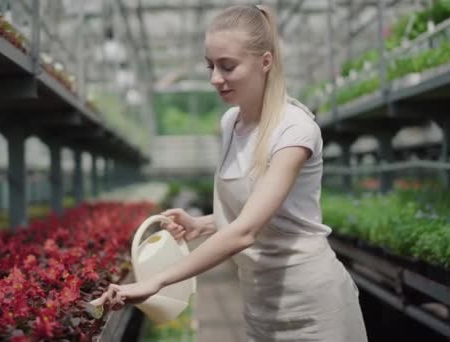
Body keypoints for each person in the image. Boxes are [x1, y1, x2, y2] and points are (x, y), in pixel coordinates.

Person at [94, 4, 368, 341]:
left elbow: (245, 231)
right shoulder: (230, 122)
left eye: (227, 66)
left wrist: (158, 280)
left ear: (265, 62)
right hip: (258, 302)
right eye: (210, 66)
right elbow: (255, 210)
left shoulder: (294, 129)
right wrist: (203, 224)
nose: (214, 79)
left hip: (313, 305)